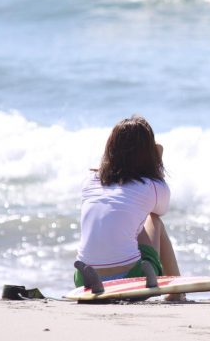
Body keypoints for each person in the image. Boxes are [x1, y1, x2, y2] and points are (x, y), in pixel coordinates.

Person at [74, 115, 184, 301]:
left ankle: (100, 276)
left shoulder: (90, 181)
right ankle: (176, 293)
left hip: (84, 278)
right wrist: (157, 160)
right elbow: (161, 210)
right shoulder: (151, 186)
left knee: (127, 220)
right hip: (132, 277)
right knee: (153, 219)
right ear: (148, 153)